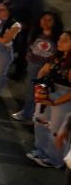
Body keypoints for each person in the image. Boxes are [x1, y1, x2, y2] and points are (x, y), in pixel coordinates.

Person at [28, 31, 71, 168]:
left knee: (56, 129)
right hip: (48, 91)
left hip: (63, 97)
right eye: (59, 39)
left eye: (65, 40)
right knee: (39, 120)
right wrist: (40, 86)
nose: (59, 42)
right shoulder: (56, 58)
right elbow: (43, 71)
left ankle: (55, 159)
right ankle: (40, 150)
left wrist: (54, 102)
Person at [12, 12, 63, 122]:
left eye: (49, 20)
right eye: (43, 19)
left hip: (46, 69)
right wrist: (28, 56)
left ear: (55, 23)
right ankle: (26, 113)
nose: (46, 22)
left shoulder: (57, 37)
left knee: (43, 92)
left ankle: (38, 115)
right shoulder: (35, 32)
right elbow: (30, 45)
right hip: (33, 65)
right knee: (30, 91)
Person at [6, 0, 44, 80]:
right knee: (11, 45)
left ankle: (19, 73)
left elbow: (36, 11)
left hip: (23, 25)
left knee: (22, 49)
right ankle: (11, 62)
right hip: (12, 22)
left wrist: (28, 25)